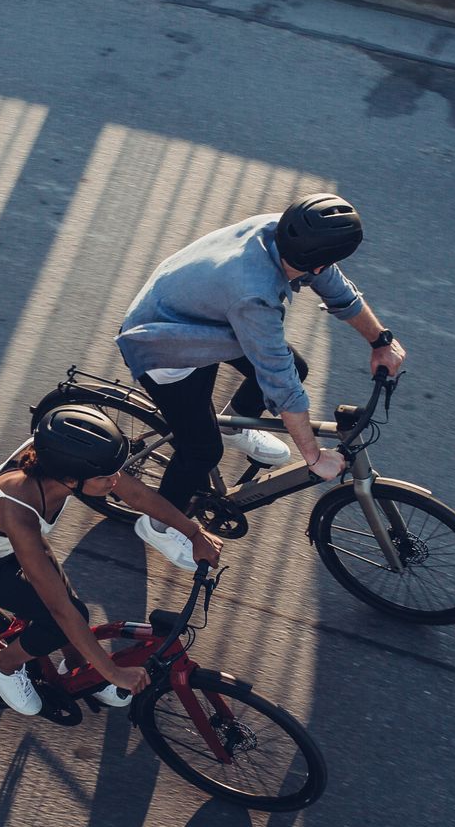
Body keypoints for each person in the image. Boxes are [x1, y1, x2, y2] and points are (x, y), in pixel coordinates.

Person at [116, 193, 406, 570]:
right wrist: (313, 456)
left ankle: (236, 424)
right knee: (202, 451)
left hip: (201, 314)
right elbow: (279, 382)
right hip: (164, 345)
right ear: (317, 262)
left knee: (296, 366)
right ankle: (158, 524)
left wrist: (380, 341)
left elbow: (336, 289)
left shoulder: (285, 234)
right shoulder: (253, 296)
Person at [0, 405, 223, 717]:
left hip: (2, 539)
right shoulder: (17, 512)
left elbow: (136, 495)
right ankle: (1, 663)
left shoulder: (59, 465)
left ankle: (77, 667)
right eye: (107, 476)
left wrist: (193, 533)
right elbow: (60, 611)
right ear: (71, 480)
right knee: (61, 618)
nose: (116, 480)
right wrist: (113, 672)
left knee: (70, 609)